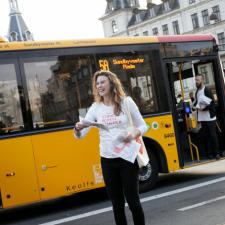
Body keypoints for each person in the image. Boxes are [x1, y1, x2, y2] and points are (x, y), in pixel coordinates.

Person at [74, 71, 147, 225]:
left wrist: (133, 134)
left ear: (112, 83)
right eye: (97, 83)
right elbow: (80, 135)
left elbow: (142, 125)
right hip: (107, 161)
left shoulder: (127, 102)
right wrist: (77, 128)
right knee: (117, 205)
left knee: (133, 202)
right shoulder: (95, 108)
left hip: (127, 158)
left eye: (102, 82)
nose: (99, 86)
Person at [189, 74, 220, 160]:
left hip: (209, 118)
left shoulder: (207, 90)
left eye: (197, 80)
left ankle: (216, 153)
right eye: (195, 80)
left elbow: (213, 103)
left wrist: (205, 109)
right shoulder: (197, 92)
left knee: (213, 136)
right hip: (202, 118)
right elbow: (196, 104)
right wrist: (191, 98)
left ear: (202, 81)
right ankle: (209, 154)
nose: (196, 82)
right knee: (207, 137)